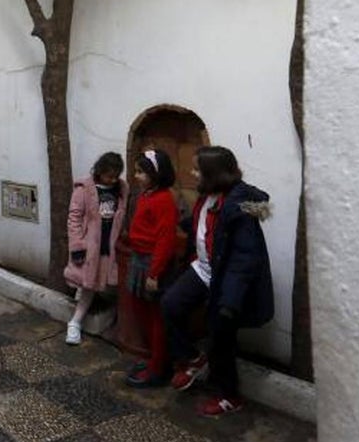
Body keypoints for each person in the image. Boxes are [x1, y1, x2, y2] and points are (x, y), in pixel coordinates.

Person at [162, 146, 274, 417]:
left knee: (220, 340)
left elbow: (244, 258)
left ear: (212, 174)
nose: (192, 172)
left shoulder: (237, 207)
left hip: (225, 281)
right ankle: (192, 358)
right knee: (170, 304)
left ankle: (229, 396)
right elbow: (205, 227)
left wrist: (230, 301)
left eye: (197, 169)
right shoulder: (208, 195)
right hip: (202, 270)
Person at [122, 150, 180, 387]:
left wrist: (154, 273)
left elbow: (165, 239)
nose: (136, 176)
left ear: (157, 174)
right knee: (142, 312)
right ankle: (155, 360)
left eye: (141, 172)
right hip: (139, 259)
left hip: (151, 263)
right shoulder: (147, 195)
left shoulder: (164, 199)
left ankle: (158, 369)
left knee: (156, 317)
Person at [64, 152, 128, 345]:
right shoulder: (84, 189)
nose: (113, 179)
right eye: (109, 175)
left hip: (111, 246)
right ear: (100, 171)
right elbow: (74, 218)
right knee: (88, 285)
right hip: (90, 247)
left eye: (116, 175)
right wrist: (77, 245)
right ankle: (75, 323)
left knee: (107, 282)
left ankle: (113, 322)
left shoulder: (122, 189)